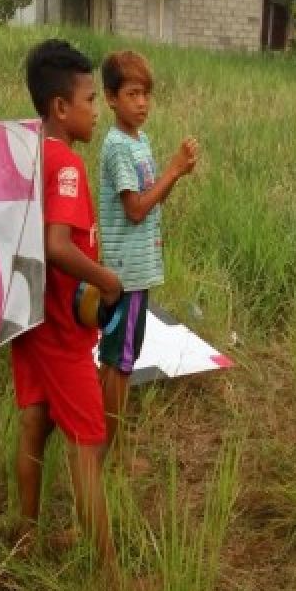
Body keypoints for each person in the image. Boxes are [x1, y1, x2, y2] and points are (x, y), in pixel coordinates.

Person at [10, 39, 123, 568]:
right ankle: (107, 574)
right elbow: (58, 247)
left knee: (34, 423)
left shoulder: (28, 152)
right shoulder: (69, 167)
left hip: (30, 321)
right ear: (61, 108)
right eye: (91, 100)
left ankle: (25, 536)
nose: (96, 112)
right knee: (89, 441)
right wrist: (107, 277)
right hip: (63, 332)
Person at [97, 51, 197, 450]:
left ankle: (103, 442)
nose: (142, 103)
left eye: (146, 95)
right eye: (133, 93)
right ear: (110, 98)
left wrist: (178, 173)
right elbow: (135, 208)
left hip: (137, 267)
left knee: (116, 358)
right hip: (127, 272)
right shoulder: (119, 146)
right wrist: (172, 169)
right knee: (121, 364)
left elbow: (154, 198)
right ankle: (112, 451)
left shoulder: (140, 141)